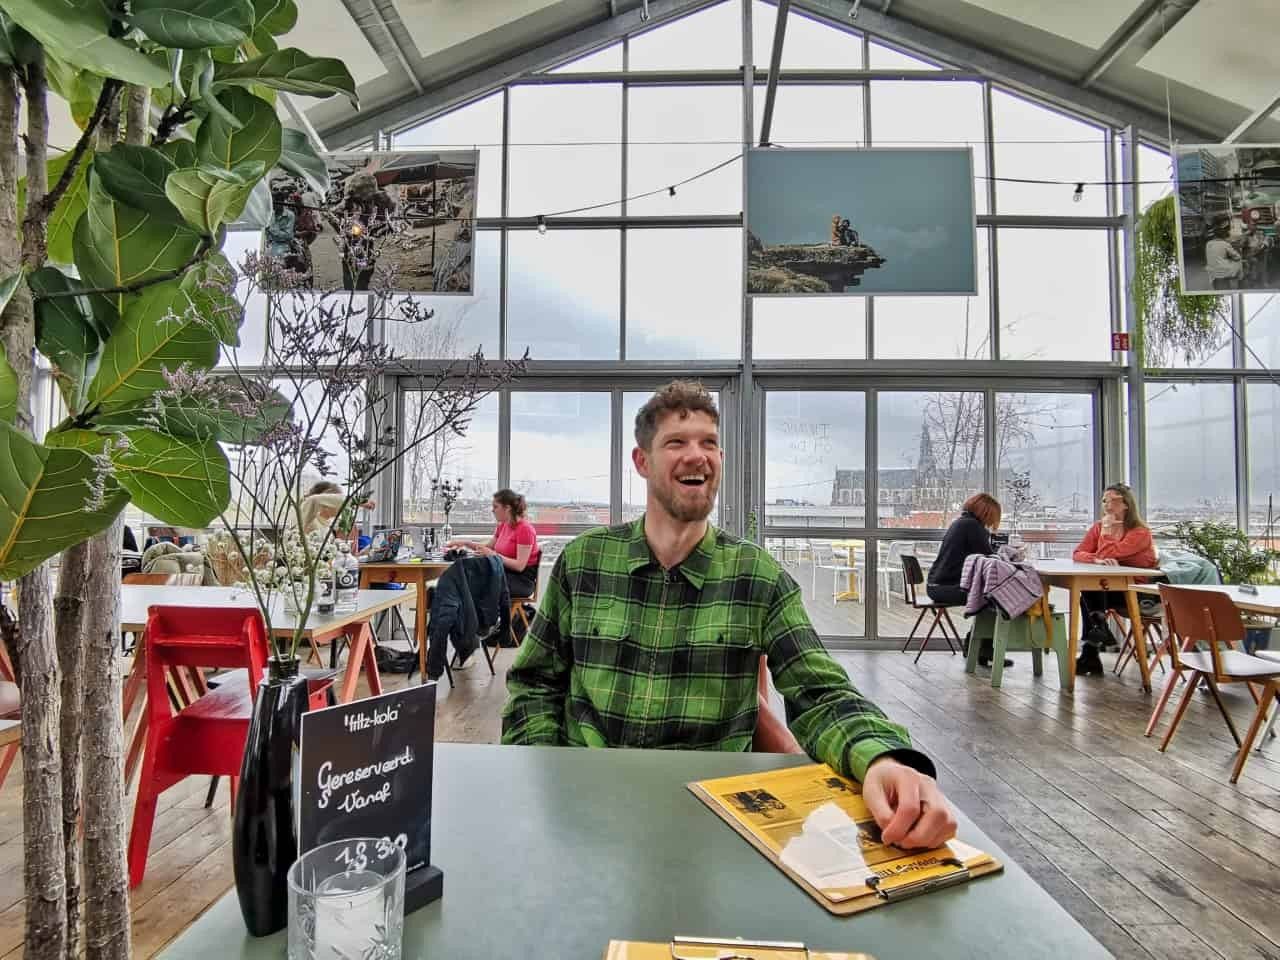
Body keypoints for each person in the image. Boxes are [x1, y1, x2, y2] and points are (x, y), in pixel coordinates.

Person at [502, 381, 956, 851]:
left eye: (709, 443)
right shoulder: (585, 562)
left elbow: (821, 692)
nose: (696, 455)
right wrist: (544, 771)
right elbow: (535, 682)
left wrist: (883, 759)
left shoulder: (757, 577)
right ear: (642, 461)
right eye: (676, 442)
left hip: (710, 824)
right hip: (587, 809)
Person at [1071, 482, 1156, 677]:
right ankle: (1098, 630)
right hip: (1109, 590)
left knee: (1089, 593)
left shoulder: (1140, 532)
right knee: (1090, 588)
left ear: (1126, 504)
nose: (1107, 505)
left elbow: (1109, 552)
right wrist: (1097, 560)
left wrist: (1107, 530)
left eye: (1112, 500)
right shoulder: (1098, 528)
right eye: (1104, 501)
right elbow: (1078, 553)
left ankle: (1092, 649)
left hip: (1136, 592)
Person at [926, 493, 1007, 668]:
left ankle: (977, 647)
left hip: (936, 585)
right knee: (994, 596)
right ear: (986, 513)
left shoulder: (961, 523)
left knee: (988, 594)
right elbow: (989, 558)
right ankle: (979, 648)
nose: (993, 521)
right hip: (945, 588)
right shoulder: (973, 527)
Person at [446, 489, 541, 599]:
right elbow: (487, 548)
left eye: (496, 507)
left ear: (507, 508)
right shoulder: (503, 525)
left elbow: (519, 566)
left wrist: (493, 555)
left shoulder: (525, 530)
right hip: (504, 573)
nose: (492, 510)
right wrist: (465, 543)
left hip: (521, 581)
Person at [1205, 220, 1243, 291]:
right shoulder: (1225, 244)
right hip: (1222, 270)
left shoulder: (1208, 243)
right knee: (1239, 262)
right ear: (1224, 236)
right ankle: (1240, 281)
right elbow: (1237, 257)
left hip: (1211, 270)